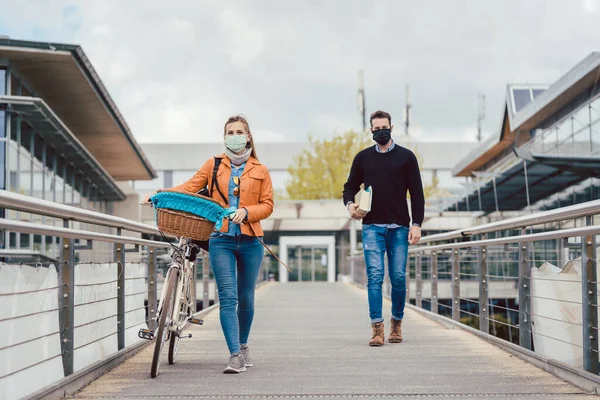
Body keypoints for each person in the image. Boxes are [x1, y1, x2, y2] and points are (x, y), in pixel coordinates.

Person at [143, 115, 274, 373]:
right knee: (228, 297)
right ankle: (234, 354)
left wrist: (246, 212)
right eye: (230, 132)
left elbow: (268, 205)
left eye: (239, 131)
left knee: (246, 298)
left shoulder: (260, 170)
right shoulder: (213, 165)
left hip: (251, 240)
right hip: (220, 240)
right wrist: (159, 195)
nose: (234, 136)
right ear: (224, 137)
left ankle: (243, 344)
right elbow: (189, 188)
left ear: (248, 136)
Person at [342, 110, 425, 346]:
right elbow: (349, 187)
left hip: (399, 227)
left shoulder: (407, 157)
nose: (381, 131)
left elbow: (417, 194)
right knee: (375, 277)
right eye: (376, 128)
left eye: (384, 127)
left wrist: (416, 224)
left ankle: (396, 323)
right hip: (372, 227)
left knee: (398, 277)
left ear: (392, 127)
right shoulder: (363, 158)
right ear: (371, 130)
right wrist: (351, 205)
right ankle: (377, 328)